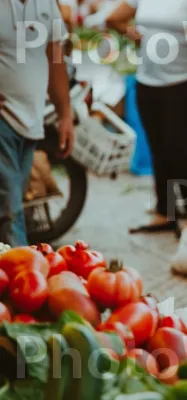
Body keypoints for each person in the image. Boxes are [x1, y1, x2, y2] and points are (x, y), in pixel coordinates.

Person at [106, 0, 187, 233]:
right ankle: (164, 212)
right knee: (158, 148)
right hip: (147, 82)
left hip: (183, 82)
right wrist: (141, 40)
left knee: (177, 148)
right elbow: (113, 19)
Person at [0, 0, 74, 246]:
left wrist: (65, 116)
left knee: (14, 202)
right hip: (3, 120)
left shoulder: (46, 4)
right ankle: (21, 274)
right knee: (10, 209)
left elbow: (56, 62)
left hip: (31, 122)